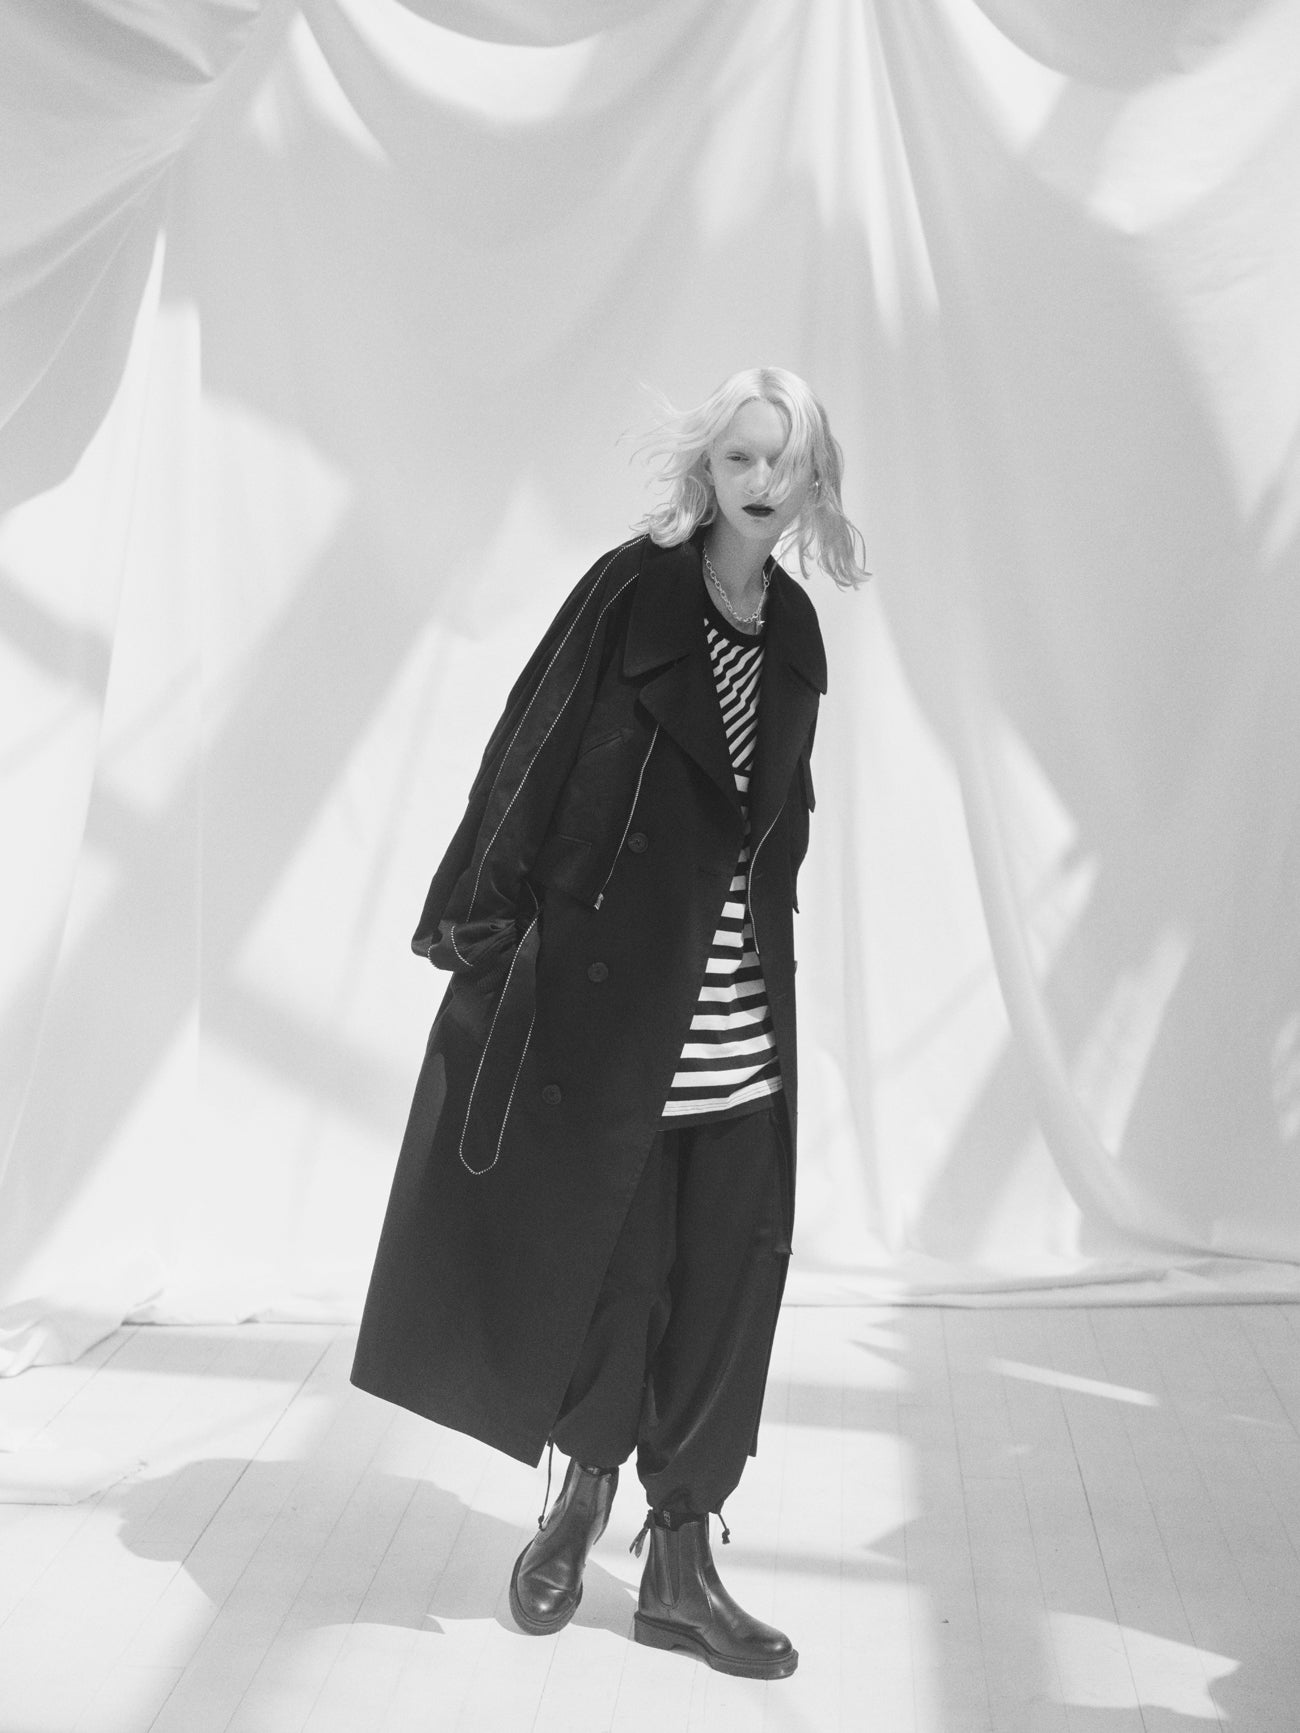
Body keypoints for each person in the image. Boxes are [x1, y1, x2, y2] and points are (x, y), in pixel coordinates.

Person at [351, 366, 867, 1680]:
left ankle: (681, 1561)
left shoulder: (796, 632)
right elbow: (529, 745)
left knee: (725, 1290)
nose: (760, 482)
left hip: (743, 1017)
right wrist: (483, 933)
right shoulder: (631, 591)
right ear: (709, 470)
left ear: (813, 479)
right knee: (614, 1277)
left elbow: (775, 825)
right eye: (740, 457)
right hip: (616, 1007)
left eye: (783, 461)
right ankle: (581, 1495)